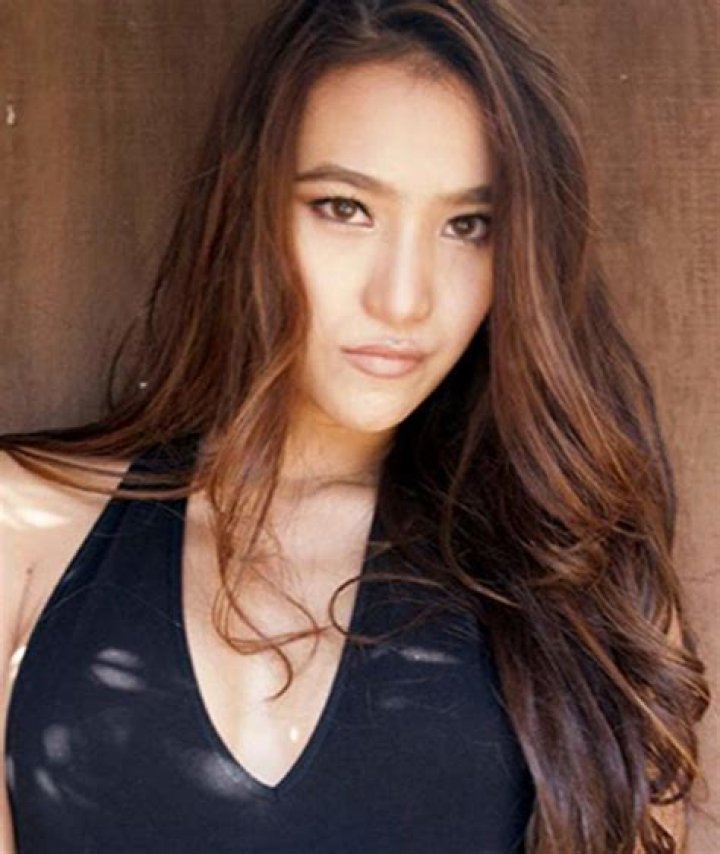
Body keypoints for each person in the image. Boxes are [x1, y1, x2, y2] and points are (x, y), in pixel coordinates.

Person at [0, 0, 711, 851]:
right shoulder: (23, 532)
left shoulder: (577, 576)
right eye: (344, 207)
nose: (403, 299)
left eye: (467, 226)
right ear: (245, 207)